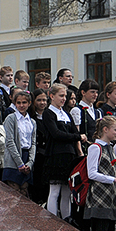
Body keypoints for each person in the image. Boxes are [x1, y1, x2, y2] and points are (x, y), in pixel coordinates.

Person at [85, 116, 116, 231]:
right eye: (115, 130)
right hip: (99, 196)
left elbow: (112, 169)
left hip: (111, 195)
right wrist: (113, 179)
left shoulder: (110, 147)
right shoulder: (95, 147)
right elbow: (91, 173)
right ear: (105, 129)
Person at [43, 84, 83, 220]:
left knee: (67, 191)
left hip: (69, 155)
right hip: (56, 154)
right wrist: (77, 137)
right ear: (51, 96)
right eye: (61, 96)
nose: (64, 99)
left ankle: (66, 219)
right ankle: (52, 220)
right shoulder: (49, 113)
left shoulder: (65, 113)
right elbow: (56, 134)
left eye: (65, 96)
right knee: (54, 191)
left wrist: (77, 137)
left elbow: (74, 130)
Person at [2, 90, 37, 194]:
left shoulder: (32, 122)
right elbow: (10, 141)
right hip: (14, 158)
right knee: (14, 191)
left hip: (26, 156)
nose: (21, 105)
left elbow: (33, 143)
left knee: (24, 191)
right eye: (19, 103)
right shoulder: (11, 118)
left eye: (24, 102)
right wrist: (19, 163)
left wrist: (30, 162)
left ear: (29, 103)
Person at [29, 89, 50, 205]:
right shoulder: (32, 117)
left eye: (44, 100)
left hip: (47, 153)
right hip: (37, 154)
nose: (42, 103)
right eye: (39, 100)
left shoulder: (49, 116)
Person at [70, 79, 100, 148]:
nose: (95, 95)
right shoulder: (77, 110)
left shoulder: (98, 112)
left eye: (96, 92)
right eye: (92, 92)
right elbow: (76, 134)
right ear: (83, 92)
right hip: (84, 148)